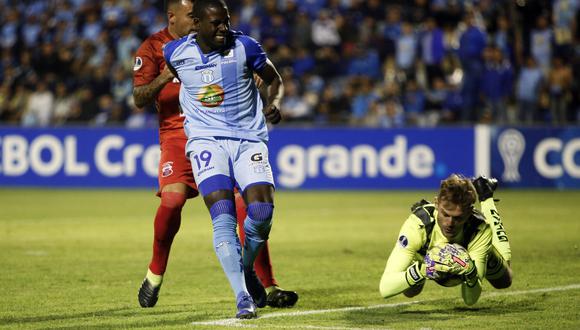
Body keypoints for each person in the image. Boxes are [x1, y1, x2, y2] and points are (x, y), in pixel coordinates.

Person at [133, 0, 297, 312]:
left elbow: (270, 76)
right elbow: (139, 97)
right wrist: (163, 79)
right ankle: (158, 275)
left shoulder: (239, 45)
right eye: (193, 16)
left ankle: (261, 279)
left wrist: (265, 92)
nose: (218, 26)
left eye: (224, 20)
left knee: (254, 209)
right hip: (183, 136)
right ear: (179, 17)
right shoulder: (159, 49)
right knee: (176, 202)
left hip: (239, 136)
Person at [379, 175, 512, 306]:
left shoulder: (479, 230)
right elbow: (385, 288)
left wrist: (471, 272)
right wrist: (422, 271)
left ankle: (485, 195)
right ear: (437, 204)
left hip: (470, 254)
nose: (450, 223)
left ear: (469, 212)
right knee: (410, 291)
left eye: (458, 218)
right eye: (446, 214)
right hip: (425, 257)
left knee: (504, 281)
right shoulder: (417, 225)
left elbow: (470, 300)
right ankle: (421, 259)